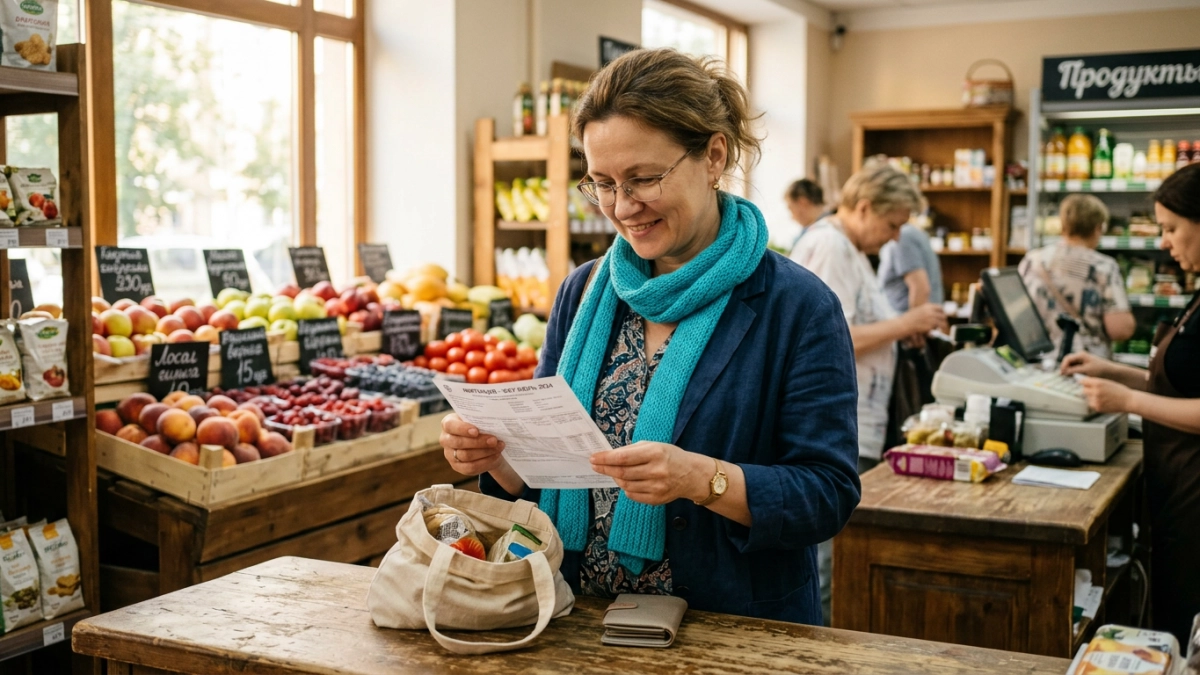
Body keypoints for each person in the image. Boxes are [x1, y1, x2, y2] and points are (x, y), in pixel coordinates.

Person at [440, 48, 861, 625]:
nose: (622, 206)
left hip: (729, 629)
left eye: (642, 178)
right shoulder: (583, 292)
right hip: (573, 618)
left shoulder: (798, 307)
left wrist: (701, 478)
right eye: (602, 183)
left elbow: (827, 494)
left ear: (713, 156)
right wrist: (498, 455)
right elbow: (547, 468)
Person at [1061, 163, 1200, 643]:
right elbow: (1183, 383)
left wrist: (1129, 400)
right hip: (1178, 493)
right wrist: (1112, 371)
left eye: (1171, 228)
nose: (1164, 241)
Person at [790, 163, 948, 470]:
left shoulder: (852, 251)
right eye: (892, 225)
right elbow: (830, 342)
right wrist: (906, 323)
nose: (896, 238)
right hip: (833, 432)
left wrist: (902, 331)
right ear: (865, 208)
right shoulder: (830, 247)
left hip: (854, 428)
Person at [1019, 194, 1135, 358]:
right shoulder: (1103, 267)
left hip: (1036, 359)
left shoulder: (1032, 260)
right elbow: (1120, 330)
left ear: (1063, 225)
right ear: (1098, 228)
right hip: (1084, 363)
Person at [878, 203, 944, 313]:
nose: (895, 236)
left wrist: (913, 326)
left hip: (902, 325)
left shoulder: (904, 237)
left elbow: (920, 290)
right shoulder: (911, 233)